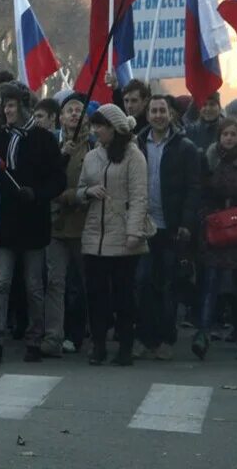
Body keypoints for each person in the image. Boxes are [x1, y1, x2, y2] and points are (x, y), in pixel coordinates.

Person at [0, 83, 66, 364]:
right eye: (4, 105)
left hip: (33, 222)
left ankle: (34, 338)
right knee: (2, 281)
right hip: (6, 222)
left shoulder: (43, 139)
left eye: (11, 105)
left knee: (33, 285)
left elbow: (58, 180)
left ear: (23, 106)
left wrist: (37, 193)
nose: (6, 110)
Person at [76, 104, 148, 366]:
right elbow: (80, 189)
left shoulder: (133, 156)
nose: (96, 131)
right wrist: (87, 192)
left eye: (101, 126)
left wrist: (134, 232)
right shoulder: (93, 156)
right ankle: (98, 346)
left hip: (123, 236)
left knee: (123, 295)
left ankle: (125, 347)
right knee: (95, 295)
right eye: (94, 126)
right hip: (94, 236)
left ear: (115, 128)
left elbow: (140, 197)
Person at [192, 118, 237, 360]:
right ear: (219, 136)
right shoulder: (209, 160)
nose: (230, 138)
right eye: (225, 134)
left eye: (233, 134)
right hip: (215, 229)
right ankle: (202, 333)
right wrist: (205, 217)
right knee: (210, 284)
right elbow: (201, 192)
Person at [135, 94, 200, 361]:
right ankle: (144, 337)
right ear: (148, 114)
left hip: (171, 227)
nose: (159, 115)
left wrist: (186, 222)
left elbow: (193, 189)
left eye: (163, 110)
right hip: (142, 226)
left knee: (168, 285)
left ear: (170, 114)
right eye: (154, 110)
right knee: (142, 282)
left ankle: (165, 338)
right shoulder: (136, 144)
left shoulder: (185, 147)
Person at [43, 93, 90, 357]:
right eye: (69, 110)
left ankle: (76, 333)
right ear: (60, 117)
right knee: (55, 282)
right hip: (55, 223)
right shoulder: (51, 145)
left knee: (79, 284)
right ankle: (53, 335)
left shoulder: (94, 147)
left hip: (82, 225)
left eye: (78, 110)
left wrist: (72, 196)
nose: (74, 114)